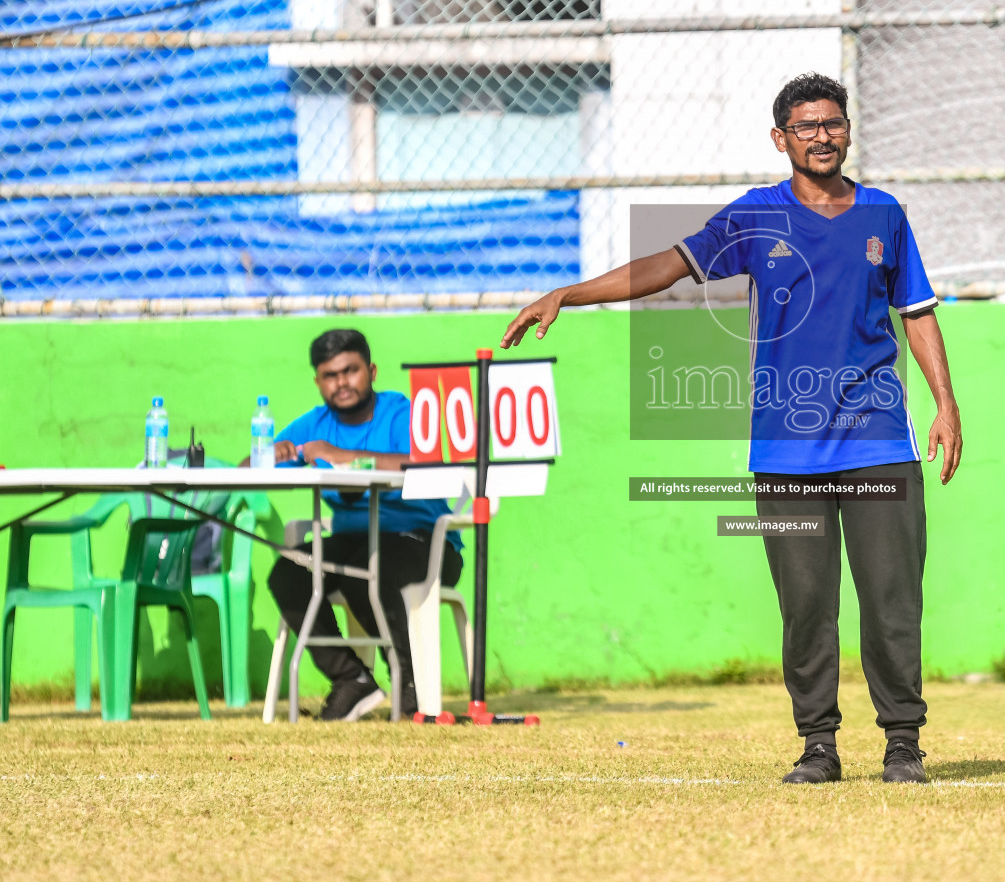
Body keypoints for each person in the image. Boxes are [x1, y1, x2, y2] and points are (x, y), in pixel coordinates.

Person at [501, 72, 961, 783]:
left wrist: (946, 404)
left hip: (877, 442)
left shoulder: (884, 214)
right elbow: (670, 265)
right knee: (806, 608)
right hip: (785, 449)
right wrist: (573, 293)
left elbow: (918, 310)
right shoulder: (755, 216)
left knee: (891, 602)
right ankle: (819, 747)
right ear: (781, 139)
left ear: (848, 130)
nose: (822, 136)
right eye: (806, 127)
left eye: (832, 123)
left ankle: (903, 743)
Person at [254, 329, 461, 721]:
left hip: (423, 543)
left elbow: (425, 463)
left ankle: (413, 690)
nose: (342, 382)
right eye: (330, 375)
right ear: (317, 381)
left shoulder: (402, 414)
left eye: (351, 370)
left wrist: (344, 456)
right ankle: (352, 679)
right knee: (288, 574)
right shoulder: (313, 424)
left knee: (368, 573)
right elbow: (245, 470)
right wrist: (269, 454)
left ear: (372, 371)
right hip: (352, 540)